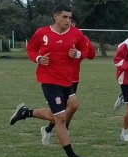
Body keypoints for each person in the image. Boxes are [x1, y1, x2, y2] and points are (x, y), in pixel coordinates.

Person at [9, 4, 90, 157]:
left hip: (67, 81)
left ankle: (25, 112)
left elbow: (87, 51)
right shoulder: (42, 33)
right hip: (49, 80)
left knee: (73, 105)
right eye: (65, 17)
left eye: (70, 17)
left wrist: (78, 54)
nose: (68, 20)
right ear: (55, 17)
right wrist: (38, 58)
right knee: (60, 118)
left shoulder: (76, 33)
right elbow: (31, 49)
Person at [40, 13, 96, 146]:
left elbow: (91, 55)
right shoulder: (54, 36)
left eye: (71, 22)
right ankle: (54, 131)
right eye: (66, 20)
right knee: (61, 111)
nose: (68, 24)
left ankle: (51, 130)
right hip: (56, 79)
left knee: (69, 109)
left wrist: (84, 48)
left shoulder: (80, 37)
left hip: (73, 79)